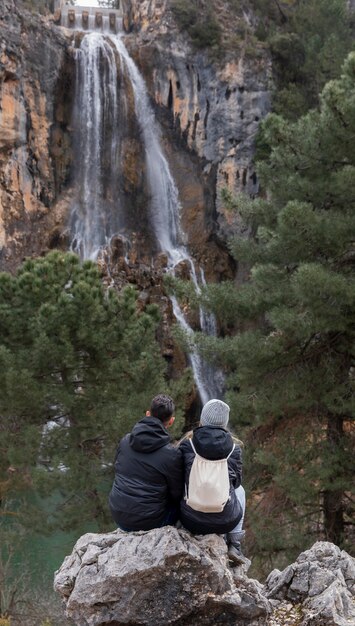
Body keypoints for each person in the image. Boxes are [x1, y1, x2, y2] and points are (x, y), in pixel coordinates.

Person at [179, 398, 248, 565]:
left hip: (190, 520)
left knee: (181, 485)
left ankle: (178, 529)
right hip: (225, 521)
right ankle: (235, 544)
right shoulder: (234, 449)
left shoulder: (187, 446)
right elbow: (236, 482)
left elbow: (177, 478)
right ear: (224, 423)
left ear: (203, 419)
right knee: (240, 491)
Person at [109, 394, 183, 531]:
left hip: (118, 515)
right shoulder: (171, 454)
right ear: (171, 421)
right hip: (150, 523)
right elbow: (177, 494)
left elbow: (119, 469)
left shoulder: (125, 441)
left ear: (148, 414)